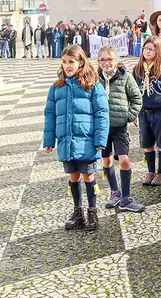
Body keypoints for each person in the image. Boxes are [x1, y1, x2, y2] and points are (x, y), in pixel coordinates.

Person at [43, 44, 110, 230]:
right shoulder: (57, 87)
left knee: (88, 175)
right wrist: (49, 140)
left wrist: (100, 139)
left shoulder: (93, 85)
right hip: (67, 141)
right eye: (64, 62)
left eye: (71, 62)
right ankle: (78, 212)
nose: (67, 66)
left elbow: (102, 113)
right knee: (73, 176)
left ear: (81, 62)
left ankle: (92, 211)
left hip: (87, 140)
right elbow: (50, 115)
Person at [96, 45, 146, 213]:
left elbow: (136, 98)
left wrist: (130, 116)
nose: (106, 63)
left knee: (124, 159)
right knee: (106, 160)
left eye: (109, 59)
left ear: (116, 60)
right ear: (98, 62)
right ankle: (114, 192)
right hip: (102, 128)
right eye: (102, 60)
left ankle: (126, 197)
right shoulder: (95, 78)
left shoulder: (126, 77)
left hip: (119, 127)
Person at [133, 37, 161, 186]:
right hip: (143, 112)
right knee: (147, 143)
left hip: (159, 112)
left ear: (158, 51)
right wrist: (134, 112)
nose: (147, 51)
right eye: (145, 48)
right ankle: (151, 171)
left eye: (151, 49)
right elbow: (133, 92)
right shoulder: (137, 70)